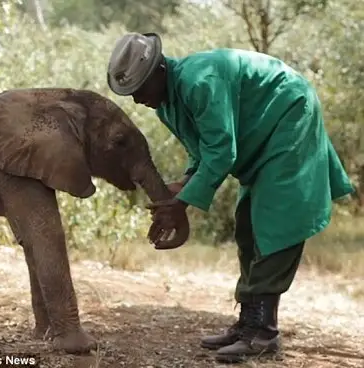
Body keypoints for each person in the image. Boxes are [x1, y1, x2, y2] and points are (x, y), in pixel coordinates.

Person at [106, 32, 355, 364]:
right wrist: (186, 184)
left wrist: (182, 205)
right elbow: (204, 150)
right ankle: (248, 323)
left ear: (159, 70)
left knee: (275, 222)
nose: (137, 100)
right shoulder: (167, 106)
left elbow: (223, 152)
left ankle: (263, 332)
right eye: (131, 94)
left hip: (288, 117)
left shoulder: (199, 81)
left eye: (139, 90)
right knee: (247, 225)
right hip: (263, 135)